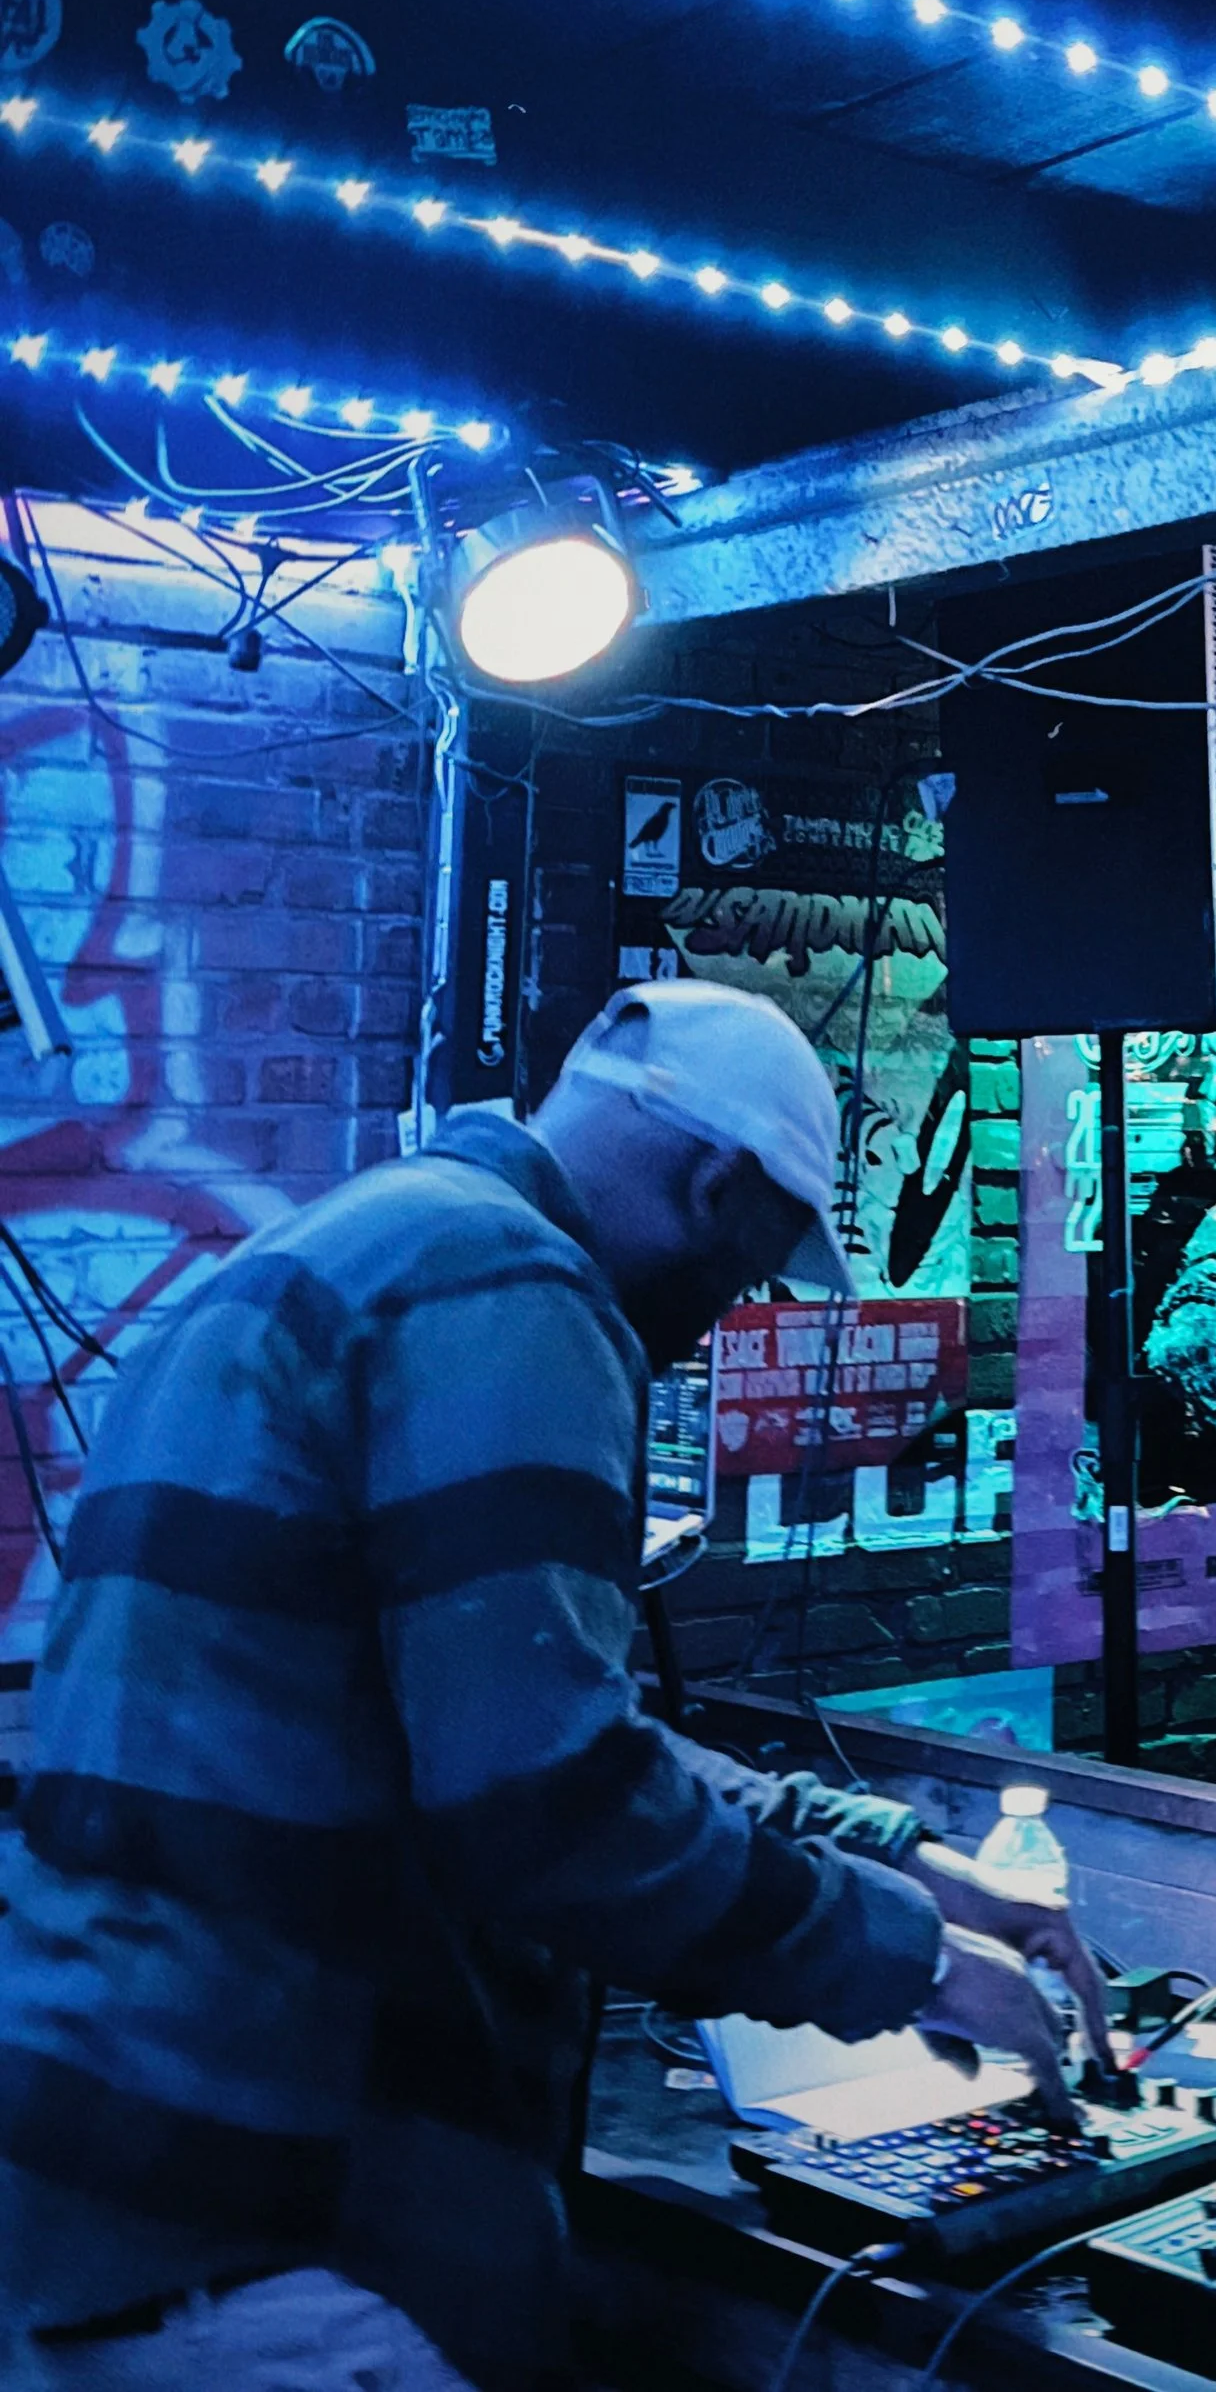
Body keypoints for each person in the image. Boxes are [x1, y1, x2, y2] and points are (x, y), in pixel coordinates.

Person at [0, 982, 1110, 2391]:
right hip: (258, 2219)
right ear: (716, 1188)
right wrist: (917, 1966)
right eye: (751, 1267)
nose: (723, 1322)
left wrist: (919, 1868)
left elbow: (535, 1732)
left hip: (104, 2173)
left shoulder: (358, 1244)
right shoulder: (515, 1288)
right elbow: (554, 1806)